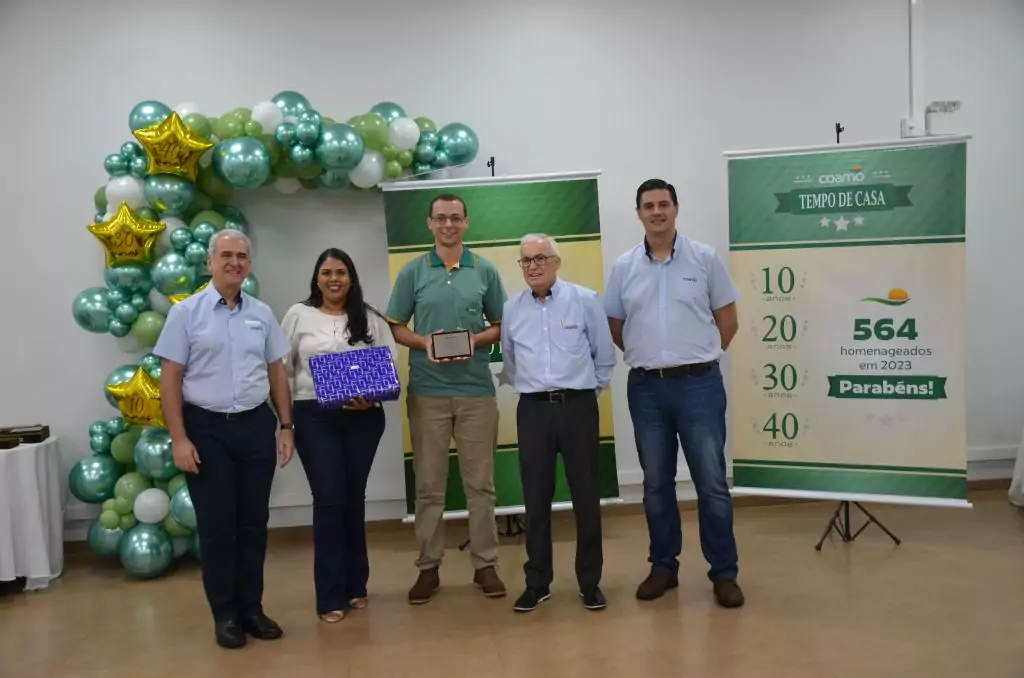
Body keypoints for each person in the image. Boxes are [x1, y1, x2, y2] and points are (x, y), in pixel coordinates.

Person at [603, 179, 745, 608]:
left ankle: (724, 573)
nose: (657, 212)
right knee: (656, 485)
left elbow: (729, 319)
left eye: (664, 204)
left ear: (676, 209)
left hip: (699, 385)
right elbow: (615, 324)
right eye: (648, 206)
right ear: (639, 213)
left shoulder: (704, 258)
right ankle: (663, 566)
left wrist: (698, 357)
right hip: (646, 389)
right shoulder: (624, 266)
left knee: (712, 483)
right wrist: (650, 357)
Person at [154, 229, 295, 649]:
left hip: (254, 425)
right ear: (210, 263)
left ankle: (252, 609)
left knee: (253, 524)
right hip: (206, 428)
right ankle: (226, 614)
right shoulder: (186, 313)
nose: (235, 262)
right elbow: (170, 380)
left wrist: (286, 427)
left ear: (249, 264)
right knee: (218, 528)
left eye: (242, 256)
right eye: (227, 255)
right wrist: (179, 438)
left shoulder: (262, 314)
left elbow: (276, 374)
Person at [386, 193, 508, 604]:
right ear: (430, 224)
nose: (449, 225)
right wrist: (424, 343)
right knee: (429, 488)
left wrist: (474, 341)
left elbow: (501, 325)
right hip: (428, 393)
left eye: (456, 218)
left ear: (466, 223)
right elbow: (397, 326)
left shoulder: (485, 271)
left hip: (476, 392)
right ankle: (428, 568)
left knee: (481, 486)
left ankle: (485, 565)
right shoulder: (413, 272)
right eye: (441, 218)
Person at [500, 234, 616, 613]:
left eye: (540, 258)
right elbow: (511, 362)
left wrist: (583, 396)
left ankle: (589, 581)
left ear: (557, 262)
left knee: (586, 495)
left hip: (578, 407)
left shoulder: (585, 300)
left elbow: (603, 356)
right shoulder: (512, 308)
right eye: (526, 261)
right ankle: (537, 582)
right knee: (535, 499)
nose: (532, 266)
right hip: (532, 410)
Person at [280, 248, 394, 624]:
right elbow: (282, 369)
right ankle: (329, 593)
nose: (334, 279)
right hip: (314, 416)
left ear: (351, 277)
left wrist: (372, 396)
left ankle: (355, 585)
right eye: (327, 272)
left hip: (364, 419)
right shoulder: (298, 315)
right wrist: (284, 422)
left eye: (341, 272)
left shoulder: (371, 316)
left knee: (352, 497)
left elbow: (388, 366)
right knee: (329, 498)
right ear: (317, 277)